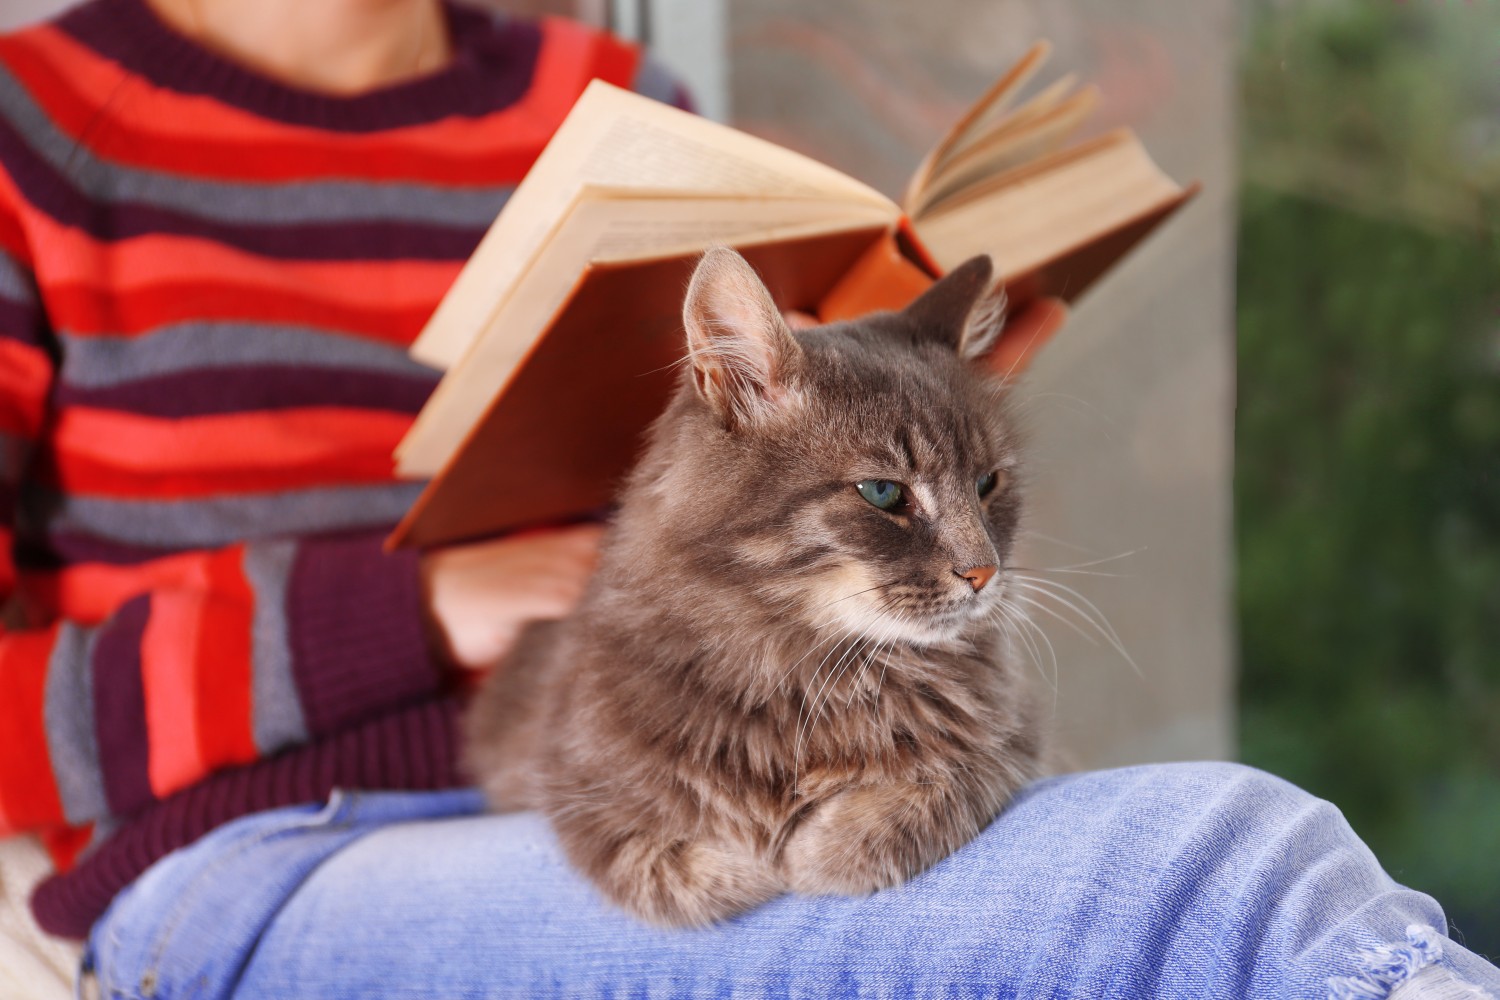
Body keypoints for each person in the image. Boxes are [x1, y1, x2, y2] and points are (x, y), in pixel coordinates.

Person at [0, 1, 1494, 997]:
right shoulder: (42, 133)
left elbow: (737, 480)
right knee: (1212, 874)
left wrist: (916, 389)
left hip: (686, 740)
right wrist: (409, 612)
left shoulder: (602, 95)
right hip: (266, 848)